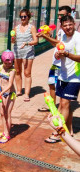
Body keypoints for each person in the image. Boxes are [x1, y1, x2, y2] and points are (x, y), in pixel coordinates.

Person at [39, 15, 80, 143]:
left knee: (64, 104)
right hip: (63, 75)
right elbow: (58, 49)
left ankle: (59, 133)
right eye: (65, 25)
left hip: (75, 77)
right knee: (62, 105)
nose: (68, 27)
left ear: (73, 24)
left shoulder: (78, 38)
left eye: (70, 24)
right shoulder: (62, 37)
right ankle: (66, 132)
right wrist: (58, 54)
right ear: (62, 26)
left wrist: (66, 54)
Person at [37, 6, 71, 114]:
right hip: (55, 63)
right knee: (51, 84)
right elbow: (54, 44)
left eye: (62, 15)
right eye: (58, 15)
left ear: (69, 15)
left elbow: (59, 43)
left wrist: (45, 37)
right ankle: (52, 107)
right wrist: (48, 36)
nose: (59, 17)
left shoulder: (68, 29)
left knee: (61, 88)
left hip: (63, 64)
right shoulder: (61, 29)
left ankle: (62, 110)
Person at [12, 9, 38, 102]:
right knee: (17, 71)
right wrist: (12, 39)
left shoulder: (32, 27)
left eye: (24, 16)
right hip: (17, 52)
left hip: (28, 52)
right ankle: (19, 91)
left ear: (28, 17)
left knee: (27, 73)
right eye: (21, 17)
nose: (23, 18)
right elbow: (13, 41)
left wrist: (27, 44)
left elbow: (36, 41)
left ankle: (27, 93)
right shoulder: (16, 28)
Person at [0, 50, 16, 143]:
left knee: (7, 113)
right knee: (2, 113)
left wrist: (2, 92)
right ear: (3, 61)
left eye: (9, 64)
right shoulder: (0, 67)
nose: (7, 65)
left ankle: (7, 135)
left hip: (10, 94)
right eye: (6, 63)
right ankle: (4, 131)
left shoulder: (13, 70)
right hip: (1, 93)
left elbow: (10, 84)